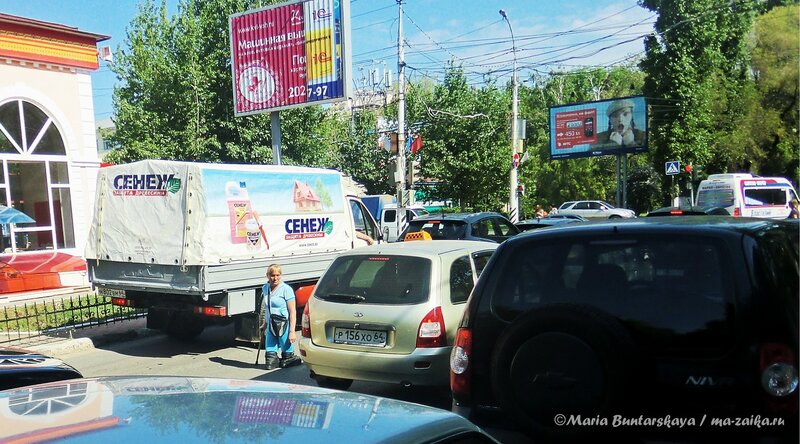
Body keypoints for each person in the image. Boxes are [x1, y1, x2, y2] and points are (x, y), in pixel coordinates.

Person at [260, 264, 300, 370]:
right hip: (271, 323)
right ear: (267, 276)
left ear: (281, 275)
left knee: (286, 347)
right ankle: (272, 361)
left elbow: (292, 312)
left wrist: (292, 332)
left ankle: (287, 358)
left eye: (278, 275)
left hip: (284, 323)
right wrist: (265, 323)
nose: (275, 278)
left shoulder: (286, 289)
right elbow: (268, 308)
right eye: (272, 275)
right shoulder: (265, 288)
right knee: (270, 349)